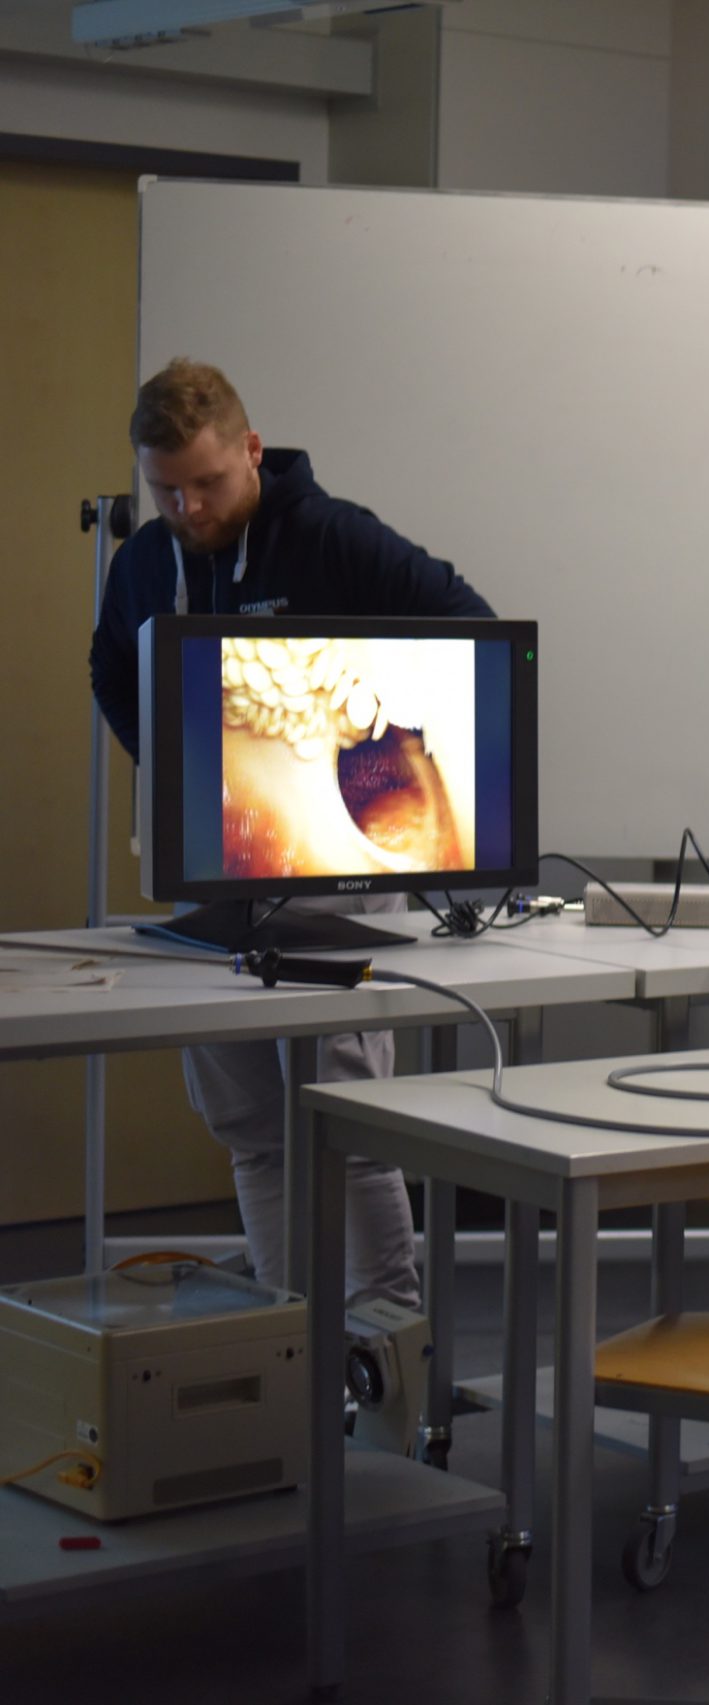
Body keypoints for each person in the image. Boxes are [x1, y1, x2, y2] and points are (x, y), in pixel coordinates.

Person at [88, 358, 493, 1310]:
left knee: (344, 1122)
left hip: (330, 880)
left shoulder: (331, 537)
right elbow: (109, 668)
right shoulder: (145, 563)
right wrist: (170, 770)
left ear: (253, 450)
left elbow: (468, 629)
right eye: (165, 489)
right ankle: (288, 1342)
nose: (187, 507)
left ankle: (382, 1347)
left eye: (206, 483)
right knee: (255, 1133)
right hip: (210, 879)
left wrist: (361, 744)